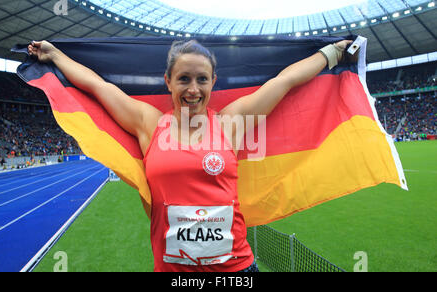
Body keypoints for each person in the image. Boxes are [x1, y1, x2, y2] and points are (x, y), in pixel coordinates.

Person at [28, 38, 352, 272]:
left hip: (236, 271)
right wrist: (55, 55)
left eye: (201, 79)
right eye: (183, 79)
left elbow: (286, 81)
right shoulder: (149, 124)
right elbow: (97, 86)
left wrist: (333, 52)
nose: (193, 89)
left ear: (213, 82)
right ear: (168, 82)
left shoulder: (230, 124)